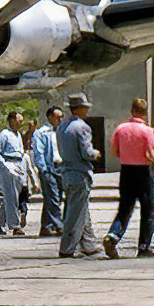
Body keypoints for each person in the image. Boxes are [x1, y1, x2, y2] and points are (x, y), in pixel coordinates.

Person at [105, 97, 154, 259]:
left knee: (125, 208)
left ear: (132, 110)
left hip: (126, 171)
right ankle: (143, 246)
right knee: (148, 210)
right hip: (142, 171)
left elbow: (115, 151)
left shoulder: (121, 129)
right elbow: (150, 153)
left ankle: (113, 235)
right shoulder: (147, 130)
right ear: (145, 112)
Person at [57, 93, 103, 259]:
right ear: (80, 108)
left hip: (67, 173)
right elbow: (87, 152)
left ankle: (88, 244)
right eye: (86, 107)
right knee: (74, 213)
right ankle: (67, 248)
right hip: (79, 172)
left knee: (82, 209)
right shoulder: (82, 127)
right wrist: (96, 154)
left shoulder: (62, 126)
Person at [0, 112, 28, 237]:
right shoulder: (4, 134)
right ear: (12, 120)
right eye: (19, 120)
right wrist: (4, 166)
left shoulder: (18, 135)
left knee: (13, 198)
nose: (21, 123)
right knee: (11, 197)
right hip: (8, 166)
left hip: (18, 166)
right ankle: (15, 226)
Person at [31, 107, 64, 237]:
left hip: (61, 168)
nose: (60, 120)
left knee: (54, 198)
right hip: (49, 169)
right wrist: (43, 170)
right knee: (53, 198)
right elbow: (38, 153)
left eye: (61, 117)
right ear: (50, 118)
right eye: (57, 117)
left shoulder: (62, 132)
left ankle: (46, 227)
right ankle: (60, 226)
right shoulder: (42, 133)